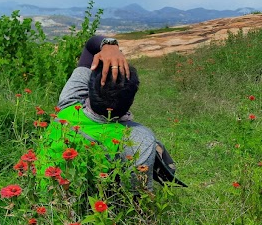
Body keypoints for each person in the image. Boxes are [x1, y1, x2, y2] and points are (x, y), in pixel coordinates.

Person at [38, 35, 185, 191]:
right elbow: (138, 195)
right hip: (90, 207)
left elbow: (89, 48)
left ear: (88, 88)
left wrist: (109, 45)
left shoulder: (69, 102)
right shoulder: (137, 138)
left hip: (41, 192)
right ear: (131, 99)